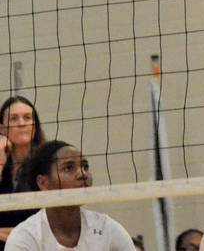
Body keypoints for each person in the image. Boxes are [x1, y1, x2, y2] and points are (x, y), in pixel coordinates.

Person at [4, 140, 135, 251]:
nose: (82, 174)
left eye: (85, 166)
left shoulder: (106, 228)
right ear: (43, 182)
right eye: (68, 168)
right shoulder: (25, 237)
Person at [0, 97, 47, 249]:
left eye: (27, 117)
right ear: (2, 128)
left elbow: (48, 226)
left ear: (35, 126)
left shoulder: (47, 163)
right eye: (14, 118)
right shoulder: (3, 165)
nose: (21, 123)